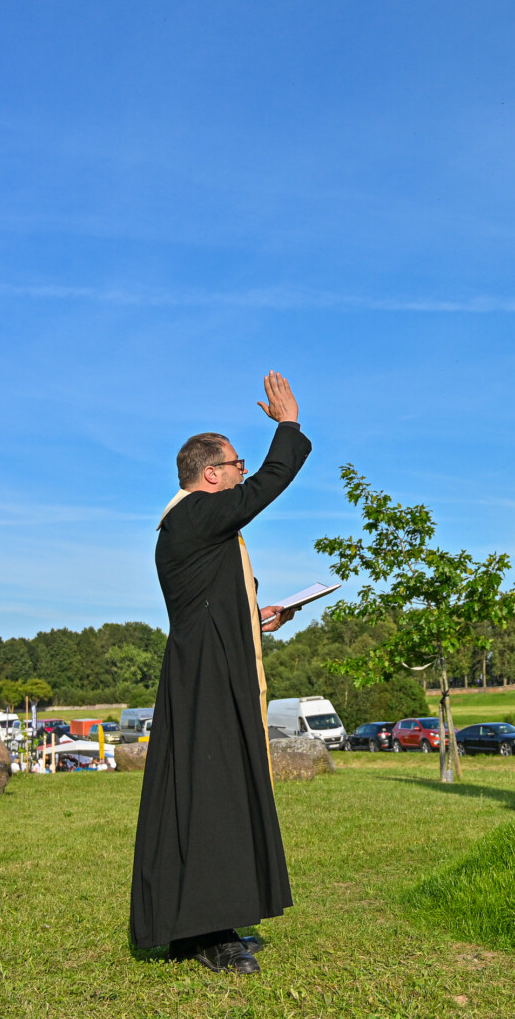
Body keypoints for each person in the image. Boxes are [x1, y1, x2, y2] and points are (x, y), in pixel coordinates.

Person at [131, 371, 310, 974]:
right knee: (210, 797)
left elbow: (210, 597)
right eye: (234, 463)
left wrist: (252, 616)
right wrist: (287, 427)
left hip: (209, 665)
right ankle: (208, 933)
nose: (241, 471)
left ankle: (203, 926)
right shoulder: (193, 515)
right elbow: (267, 484)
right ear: (211, 473)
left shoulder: (195, 524)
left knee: (212, 794)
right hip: (204, 676)